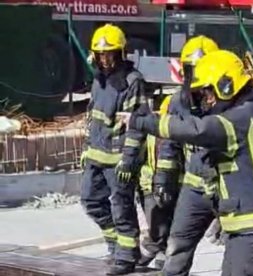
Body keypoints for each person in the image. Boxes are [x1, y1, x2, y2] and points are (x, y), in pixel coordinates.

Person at [123, 49, 253, 276]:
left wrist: (140, 121)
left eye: (208, 94)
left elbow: (196, 130)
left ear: (226, 86)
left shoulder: (236, 120)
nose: (206, 102)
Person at [79, 23, 150, 275]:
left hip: (119, 160)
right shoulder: (99, 81)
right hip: (96, 156)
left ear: (120, 53)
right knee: (90, 201)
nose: (105, 59)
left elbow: (137, 125)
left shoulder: (133, 82)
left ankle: (126, 257)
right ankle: (115, 244)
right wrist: (87, 149)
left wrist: (129, 160)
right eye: (101, 54)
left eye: (110, 53)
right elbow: (93, 119)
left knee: (122, 208)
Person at [155, 35, 224, 276]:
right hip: (193, 188)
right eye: (191, 70)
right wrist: (163, 178)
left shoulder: (230, 102)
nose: (196, 77)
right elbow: (170, 144)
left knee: (246, 250)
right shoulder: (178, 102)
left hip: (227, 188)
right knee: (177, 247)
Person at [136, 94, 180, 269]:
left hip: (172, 185)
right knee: (156, 223)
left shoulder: (177, 131)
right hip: (149, 185)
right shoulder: (152, 130)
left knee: (165, 224)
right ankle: (155, 252)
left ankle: (157, 255)